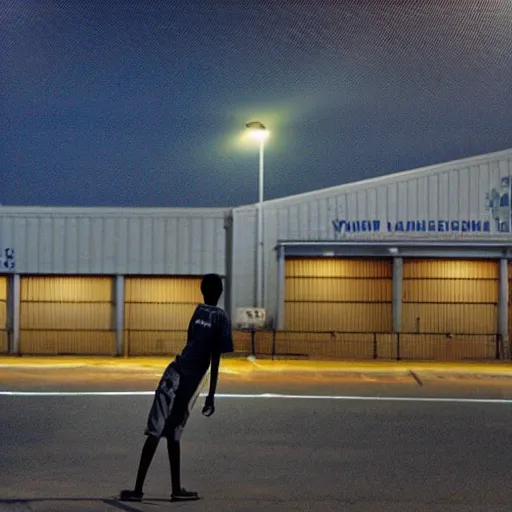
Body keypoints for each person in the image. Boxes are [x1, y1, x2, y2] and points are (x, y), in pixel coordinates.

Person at [119, 273, 233, 502]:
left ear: (202, 291)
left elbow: (190, 341)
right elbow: (215, 358)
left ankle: (147, 489)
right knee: (171, 432)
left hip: (174, 373)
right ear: (220, 293)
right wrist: (211, 395)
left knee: (158, 430)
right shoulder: (221, 318)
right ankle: (166, 489)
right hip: (188, 384)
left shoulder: (198, 312)